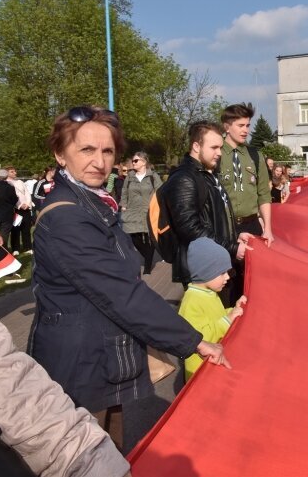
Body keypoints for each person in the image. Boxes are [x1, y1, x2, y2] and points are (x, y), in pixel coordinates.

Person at [30, 106, 230, 450]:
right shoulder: (68, 217)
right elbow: (121, 293)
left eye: (108, 151)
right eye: (86, 150)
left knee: (109, 454)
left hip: (97, 358)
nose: (99, 161)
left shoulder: (92, 204)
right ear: (60, 155)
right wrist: (193, 340)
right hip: (79, 368)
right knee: (88, 459)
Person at [0, 318, 130, 477]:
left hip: (89, 358)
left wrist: (88, 462)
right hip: (80, 358)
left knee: (108, 413)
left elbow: (10, 386)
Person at [163, 120, 254, 287]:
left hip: (217, 264)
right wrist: (232, 247)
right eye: (214, 148)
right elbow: (190, 229)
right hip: (204, 270)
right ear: (196, 146)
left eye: (220, 147)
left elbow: (215, 217)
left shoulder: (207, 174)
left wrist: (235, 235)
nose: (219, 153)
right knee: (208, 313)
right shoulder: (184, 178)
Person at [217, 103, 273, 304]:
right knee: (226, 280)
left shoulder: (255, 155)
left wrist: (268, 228)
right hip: (225, 227)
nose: (246, 130)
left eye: (248, 125)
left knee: (253, 281)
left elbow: (264, 195)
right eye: (240, 125)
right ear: (226, 126)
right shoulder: (216, 154)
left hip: (252, 225)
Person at [178, 238, 246, 381]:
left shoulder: (208, 293)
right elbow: (199, 339)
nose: (227, 277)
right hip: (200, 373)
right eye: (222, 273)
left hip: (213, 363)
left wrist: (233, 310)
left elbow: (216, 316)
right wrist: (228, 319)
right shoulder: (191, 302)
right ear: (205, 273)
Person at [121, 151, 162, 275]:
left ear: (144, 162)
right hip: (132, 211)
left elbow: (160, 192)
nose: (133, 163)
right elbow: (124, 191)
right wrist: (123, 205)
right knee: (134, 238)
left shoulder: (152, 176)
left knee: (151, 237)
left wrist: (159, 207)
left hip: (149, 211)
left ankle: (148, 265)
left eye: (136, 160)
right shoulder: (129, 176)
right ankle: (148, 256)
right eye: (133, 161)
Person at [5, 166, 33, 254]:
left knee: (26, 229)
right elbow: (11, 197)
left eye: (15, 171)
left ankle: (27, 247)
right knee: (15, 229)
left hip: (26, 208)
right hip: (16, 209)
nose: (15, 173)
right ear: (7, 173)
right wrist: (20, 205)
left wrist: (28, 204)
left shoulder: (20, 181)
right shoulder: (6, 183)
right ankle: (15, 248)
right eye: (12, 172)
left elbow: (27, 193)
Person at [0, 169, 17, 246]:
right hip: (7, 214)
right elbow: (15, 200)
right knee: (4, 234)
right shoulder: (10, 187)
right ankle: (2, 253)